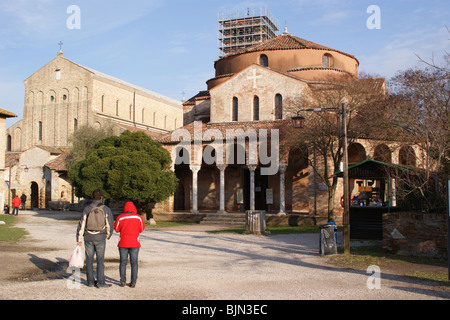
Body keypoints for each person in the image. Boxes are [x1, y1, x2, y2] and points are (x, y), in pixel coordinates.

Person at [76, 189, 114, 288]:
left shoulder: (87, 208)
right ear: (102, 197)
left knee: (89, 259)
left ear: (92, 197)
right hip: (100, 237)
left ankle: (90, 282)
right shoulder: (106, 209)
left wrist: (79, 239)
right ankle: (100, 282)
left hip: (88, 237)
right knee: (100, 260)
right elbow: (109, 223)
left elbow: (81, 224)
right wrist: (107, 235)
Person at [114, 201, 145, 288]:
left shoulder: (120, 217)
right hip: (134, 243)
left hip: (123, 242)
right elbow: (141, 229)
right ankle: (133, 282)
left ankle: (123, 281)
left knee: (123, 262)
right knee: (134, 263)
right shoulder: (138, 217)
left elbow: (116, 229)